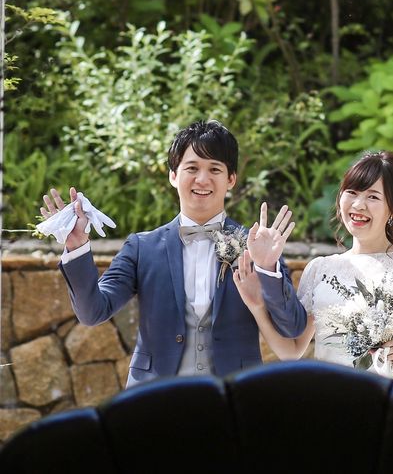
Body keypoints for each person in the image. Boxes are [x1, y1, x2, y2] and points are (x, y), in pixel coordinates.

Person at [40, 119, 307, 388]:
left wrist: (268, 268)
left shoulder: (256, 246)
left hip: (233, 400)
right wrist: (77, 247)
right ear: (173, 176)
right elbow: (93, 312)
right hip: (154, 399)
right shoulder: (142, 247)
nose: (202, 179)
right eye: (192, 168)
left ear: (231, 180)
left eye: (214, 169)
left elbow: (292, 328)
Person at [233, 150, 393, 391]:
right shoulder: (319, 269)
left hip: (389, 392)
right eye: (352, 192)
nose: (358, 205)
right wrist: (257, 307)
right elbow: (291, 350)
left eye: (373, 197)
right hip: (332, 394)